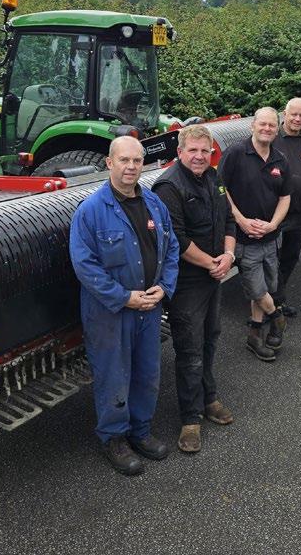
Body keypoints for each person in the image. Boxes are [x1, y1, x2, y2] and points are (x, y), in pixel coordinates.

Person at [69, 136, 179, 476]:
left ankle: (140, 432)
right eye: (124, 160)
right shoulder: (90, 211)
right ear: (109, 163)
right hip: (110, 312)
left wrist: (164, 288)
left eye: (137, 160)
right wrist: (123, 297)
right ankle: (114, 438)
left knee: (147, 373)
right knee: (113, 375)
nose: (131, 167)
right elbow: (84, 265)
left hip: (149, 307)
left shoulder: (154, 204)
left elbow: (171, 248)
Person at [152, 125, 236, 454]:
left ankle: (208, 398)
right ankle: (190, 419)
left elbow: (228, 220)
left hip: (214, 273)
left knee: (211, 337)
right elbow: (176, 239)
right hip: (187, 281)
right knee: (189, 348)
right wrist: (213, 263)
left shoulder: (214, 177)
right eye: (193, 150)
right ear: (180, 152)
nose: (200, 156)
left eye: (205, 150)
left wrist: (228, 256)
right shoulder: (169, 186)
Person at [219, 107, 291, 362]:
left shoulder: (280, 159)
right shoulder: (235, 153)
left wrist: (273, 225)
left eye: (272, 125)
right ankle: (277, 318)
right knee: (256, 288)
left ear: (277, 129)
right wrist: (240, 220)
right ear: (253, 126)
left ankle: (254, 334)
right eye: (262, 124)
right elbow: (221, 188)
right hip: (244, 238)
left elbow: (285, 197)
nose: (267, 129)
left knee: (267, 286)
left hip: (270, 238)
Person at [271, 97, 301, 317]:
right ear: (285, 114)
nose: (298, 119)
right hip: (274, 215)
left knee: (290, 258)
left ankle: (277, 300)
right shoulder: (272, 139)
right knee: (271, 260)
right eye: (294, 114)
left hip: (298, 213)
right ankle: (268, 304)